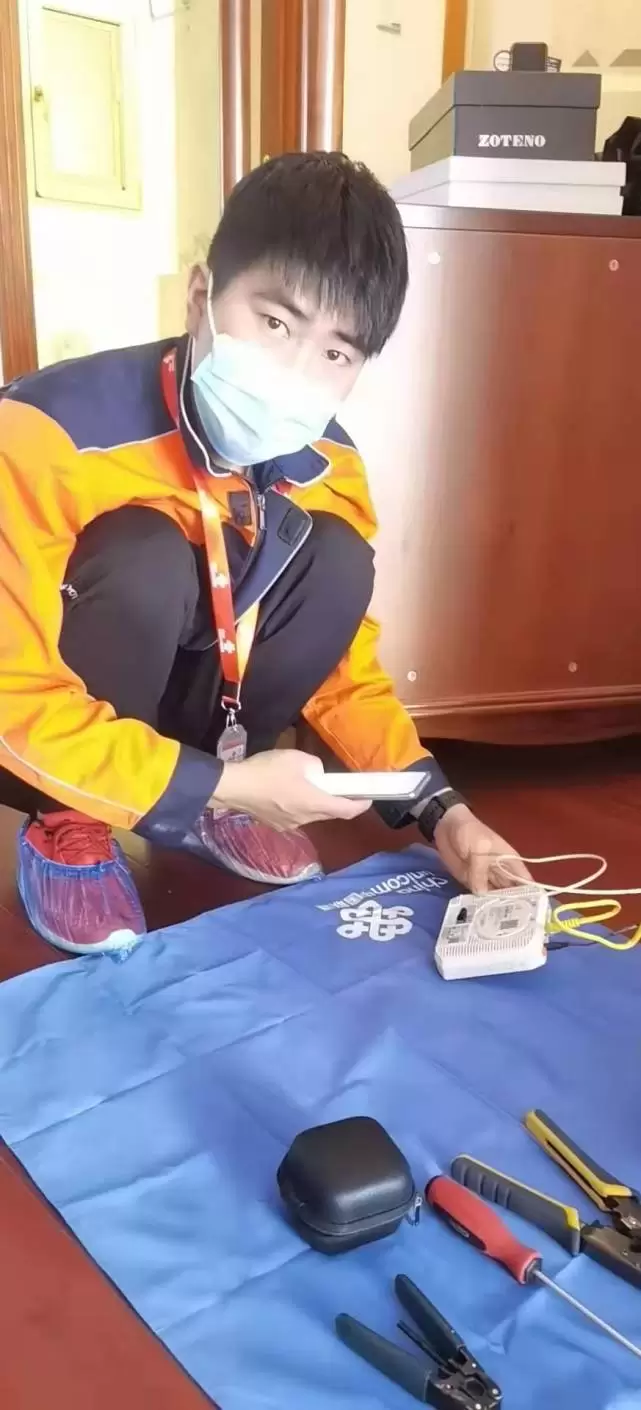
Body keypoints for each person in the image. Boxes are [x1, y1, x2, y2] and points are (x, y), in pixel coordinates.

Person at [0, 151, 529, 955]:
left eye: (335, 353)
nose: (293, 373)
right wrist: (223, 782)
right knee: (144, 555)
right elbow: (12, 693)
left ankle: (219, 799)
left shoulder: (327, 461)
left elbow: (345, 672)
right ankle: (70, 820)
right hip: (48, 716)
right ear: (201, 296)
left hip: (207, 723)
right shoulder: (44, 433)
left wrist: (442, 810)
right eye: (275, 323)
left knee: (337, 560)